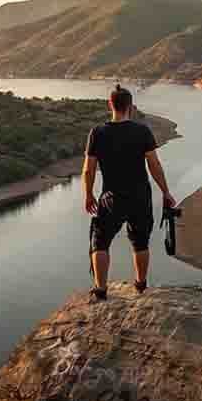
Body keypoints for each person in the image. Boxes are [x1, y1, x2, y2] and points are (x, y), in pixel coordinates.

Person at [82, 84, 176, 301]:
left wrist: (88, 195)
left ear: (110, 105)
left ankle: (101, 289)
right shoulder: (142, 131)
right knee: (140, 242)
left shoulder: (97, 133)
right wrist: (166, 192)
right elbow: (154, 165)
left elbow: (89, 169)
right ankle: (141, 285)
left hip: (111, 197)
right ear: (131, 107)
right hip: (140, 197)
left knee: (100, 241)